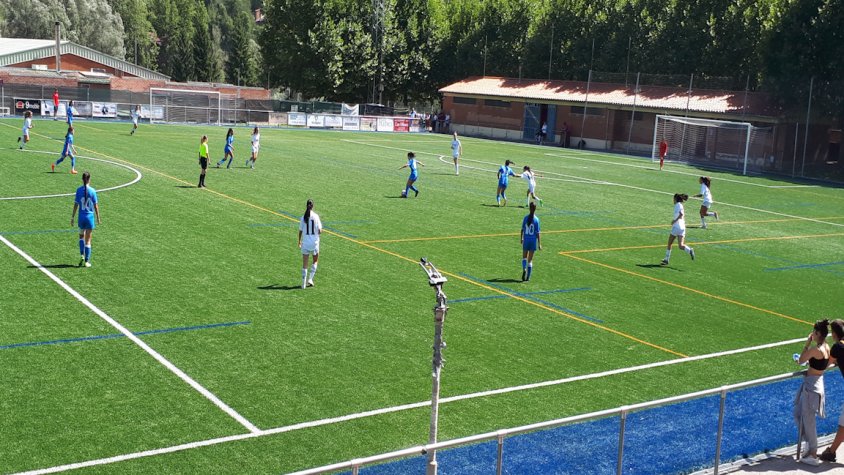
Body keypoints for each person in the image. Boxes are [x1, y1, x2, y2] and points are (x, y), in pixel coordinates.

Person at [794, 320, 830, 467]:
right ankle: (809, 445)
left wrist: (807, 343)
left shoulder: (816, 349)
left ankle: (813, 454)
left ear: (818, 334)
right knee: (798, 413)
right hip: (814, 383)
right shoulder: (826, 347)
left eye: (813, 332)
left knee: (809, 421)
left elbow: (802, 360)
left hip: (812, 387)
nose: (812, 334)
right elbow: (818, 363)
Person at [820, 319, 844, 462]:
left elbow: (825, 363)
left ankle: (831, 452)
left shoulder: (837, 348)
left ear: (834, 334)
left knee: (843, 424)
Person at [71, 171, 101, 268]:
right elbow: (96, 206)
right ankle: (87, 261)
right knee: (88, 240)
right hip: (89, 218)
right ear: (89, 179)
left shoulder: (78, 190)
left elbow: (76, 204)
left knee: (81, 237)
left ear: (82, 179)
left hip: (81, 217)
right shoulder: (92, 191)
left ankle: (82, 255)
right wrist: (98, 217)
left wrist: (72, 217)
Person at [660, 194, 695, 265]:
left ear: (676, 199)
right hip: (682, 227)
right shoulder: (680, 205)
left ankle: (666, 259)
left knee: (670, 243)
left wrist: (674, 221)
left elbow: (681, 214)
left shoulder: (678, 205)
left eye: (673, 199)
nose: (673, 200)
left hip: (677, 227)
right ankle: (690, 250)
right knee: (681, 245)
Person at [297, 199, 322, 289]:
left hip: (306, 243)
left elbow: (300, 231)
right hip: (314, 243)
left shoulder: (303, 217)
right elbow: (320, 230)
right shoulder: (316, 216)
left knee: (305, 264)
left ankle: (303, 284)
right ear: (313, 206)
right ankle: (310, 279)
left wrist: (299, 241)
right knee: (315, 261)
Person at [520, 201, 541, 282]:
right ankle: (528, 277)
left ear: (529, 208)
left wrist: (521, 238)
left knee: (524, 257)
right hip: (532, 241)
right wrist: (539, 244)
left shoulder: (525, 218)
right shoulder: (536, 220)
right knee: (530, 260)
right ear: (535, 209)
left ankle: (524, 269)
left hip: (526, 240)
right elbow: (538, 233)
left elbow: (522, 230)